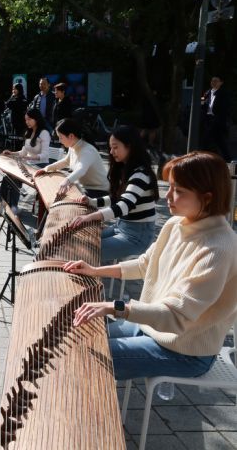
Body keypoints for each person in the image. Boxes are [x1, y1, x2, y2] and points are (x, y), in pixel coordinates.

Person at [66, 151, 237, 382]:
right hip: (153, 328)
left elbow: (176, 316)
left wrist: (113, 306)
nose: (168, 197)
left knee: (83, 355)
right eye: (171, 187)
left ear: (207, 198)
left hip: (186, 351)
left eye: (179, 191)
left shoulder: (219, 249)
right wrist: (95, 271)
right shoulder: (176, 224)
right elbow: (146, 264)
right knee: (77, 337)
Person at [68, 125, 159, 263]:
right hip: (122, 226)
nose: (111, 152)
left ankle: (88, 282)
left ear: (130, 146)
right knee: (78, 239)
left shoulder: (140, 174)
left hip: (137, 236)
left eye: (115, 147)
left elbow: (123, 206)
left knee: (84, 250)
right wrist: (91, 202)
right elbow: (117, 198)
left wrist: (90, 217)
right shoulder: (127, 168)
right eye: (111, 147)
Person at [0, 108, 51, 216]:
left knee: (14, 175)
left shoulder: (44, 133)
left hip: (40, 166)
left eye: (29, 119)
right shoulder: (30, 131)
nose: (27, 122)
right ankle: (1, 206)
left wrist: (28, 159)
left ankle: (12, 206)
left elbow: (45, 155)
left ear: (36, 119)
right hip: (28, 164)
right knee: (7, 174)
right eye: (26, 120)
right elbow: (23, 152)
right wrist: (11, 153)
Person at [35, 118, 109, 198]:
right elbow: (66, 161)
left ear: (71, 136)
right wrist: (46, 168)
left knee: (63, 199)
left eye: (61, 137)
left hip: (99, 191)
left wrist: (67, 180)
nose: (59, 141)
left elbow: (81, 169)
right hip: (85, 187)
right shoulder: (73, 146)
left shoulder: (87, 150)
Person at [200, 75, 232, 160]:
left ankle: (227, 160)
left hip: (218, 121)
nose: (213, 83)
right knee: (206, 141)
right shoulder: (207, 92)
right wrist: (202, 102)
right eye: (212, 81)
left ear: (221, 83)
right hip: (208, 120)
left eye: (216, 81)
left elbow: (226, 108)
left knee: (220, 142)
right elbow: (203, 102)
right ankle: (205, 159)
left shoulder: (224, 94)